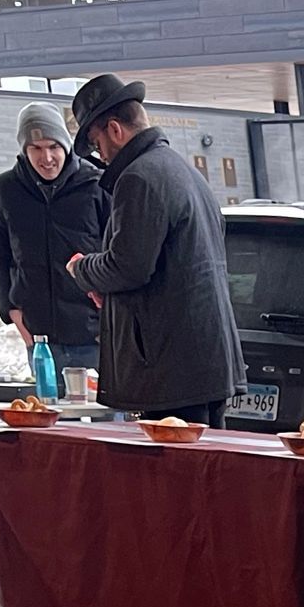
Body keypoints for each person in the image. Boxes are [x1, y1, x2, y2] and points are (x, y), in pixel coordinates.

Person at [66, 74, 246, 427]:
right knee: (206, 473)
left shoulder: (138, 177)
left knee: (178, 477)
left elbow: (128, 267)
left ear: (115, 130)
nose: (99, 155)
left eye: (96, 141)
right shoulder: (181, 170)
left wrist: (82, 270)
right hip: (202, 362)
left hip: (171, 368)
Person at [0, 103, 111, 381]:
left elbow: (118, 254)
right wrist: (13, 313)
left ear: (66, 145)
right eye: (36, 148)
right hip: (41, 341)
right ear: (24, 150)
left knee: (107, 422)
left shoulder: (97, 184)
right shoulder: (5, 190)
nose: (47, 157)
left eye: (53, 146)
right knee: (53, 423)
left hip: (97, 338)